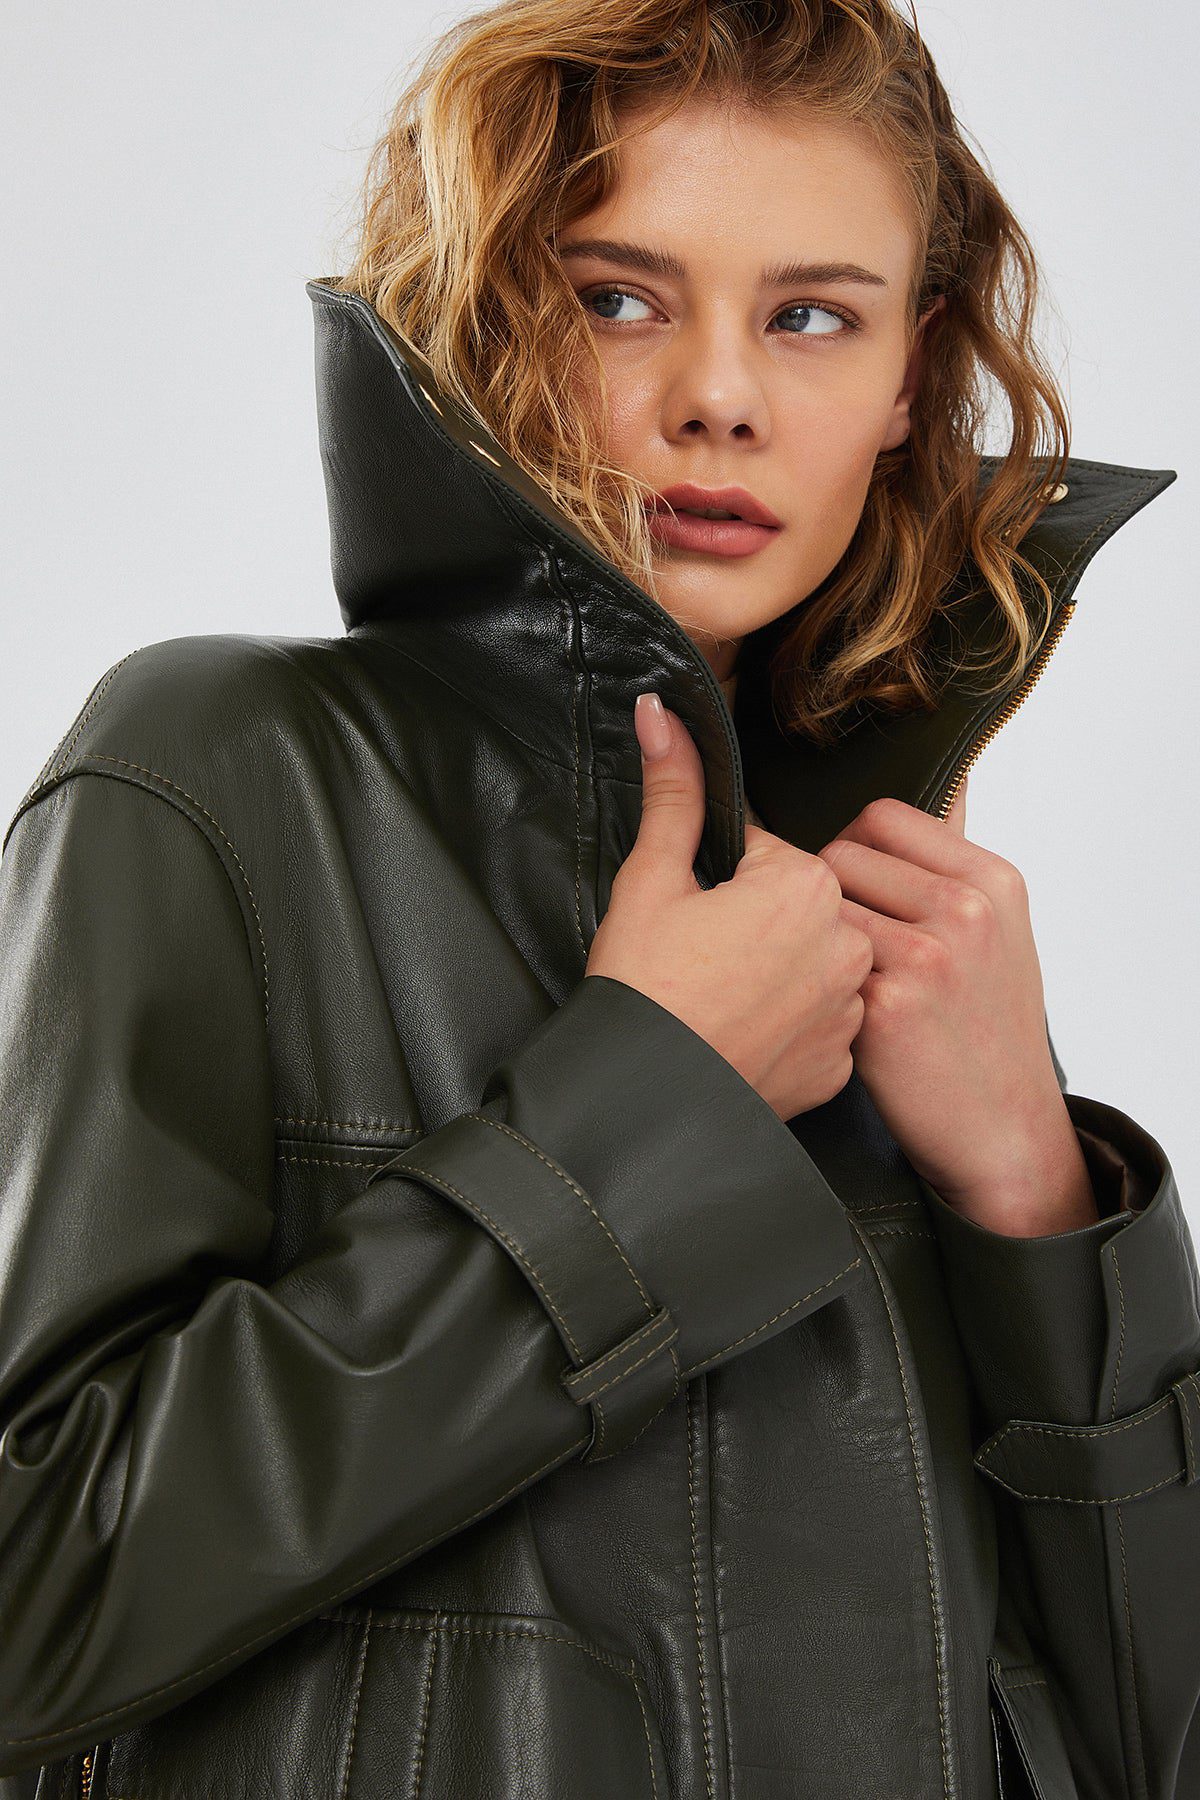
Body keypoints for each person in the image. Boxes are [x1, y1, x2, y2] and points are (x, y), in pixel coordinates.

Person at [0, 1, 1195, 1796]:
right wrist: (644, 1115)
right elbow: (32, 1596)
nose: (720, 394)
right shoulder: (222, 768)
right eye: (620, 298)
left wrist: (1036, 1191)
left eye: (812, 315)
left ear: (908, 375)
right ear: (489, 323)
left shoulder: (892, 915)